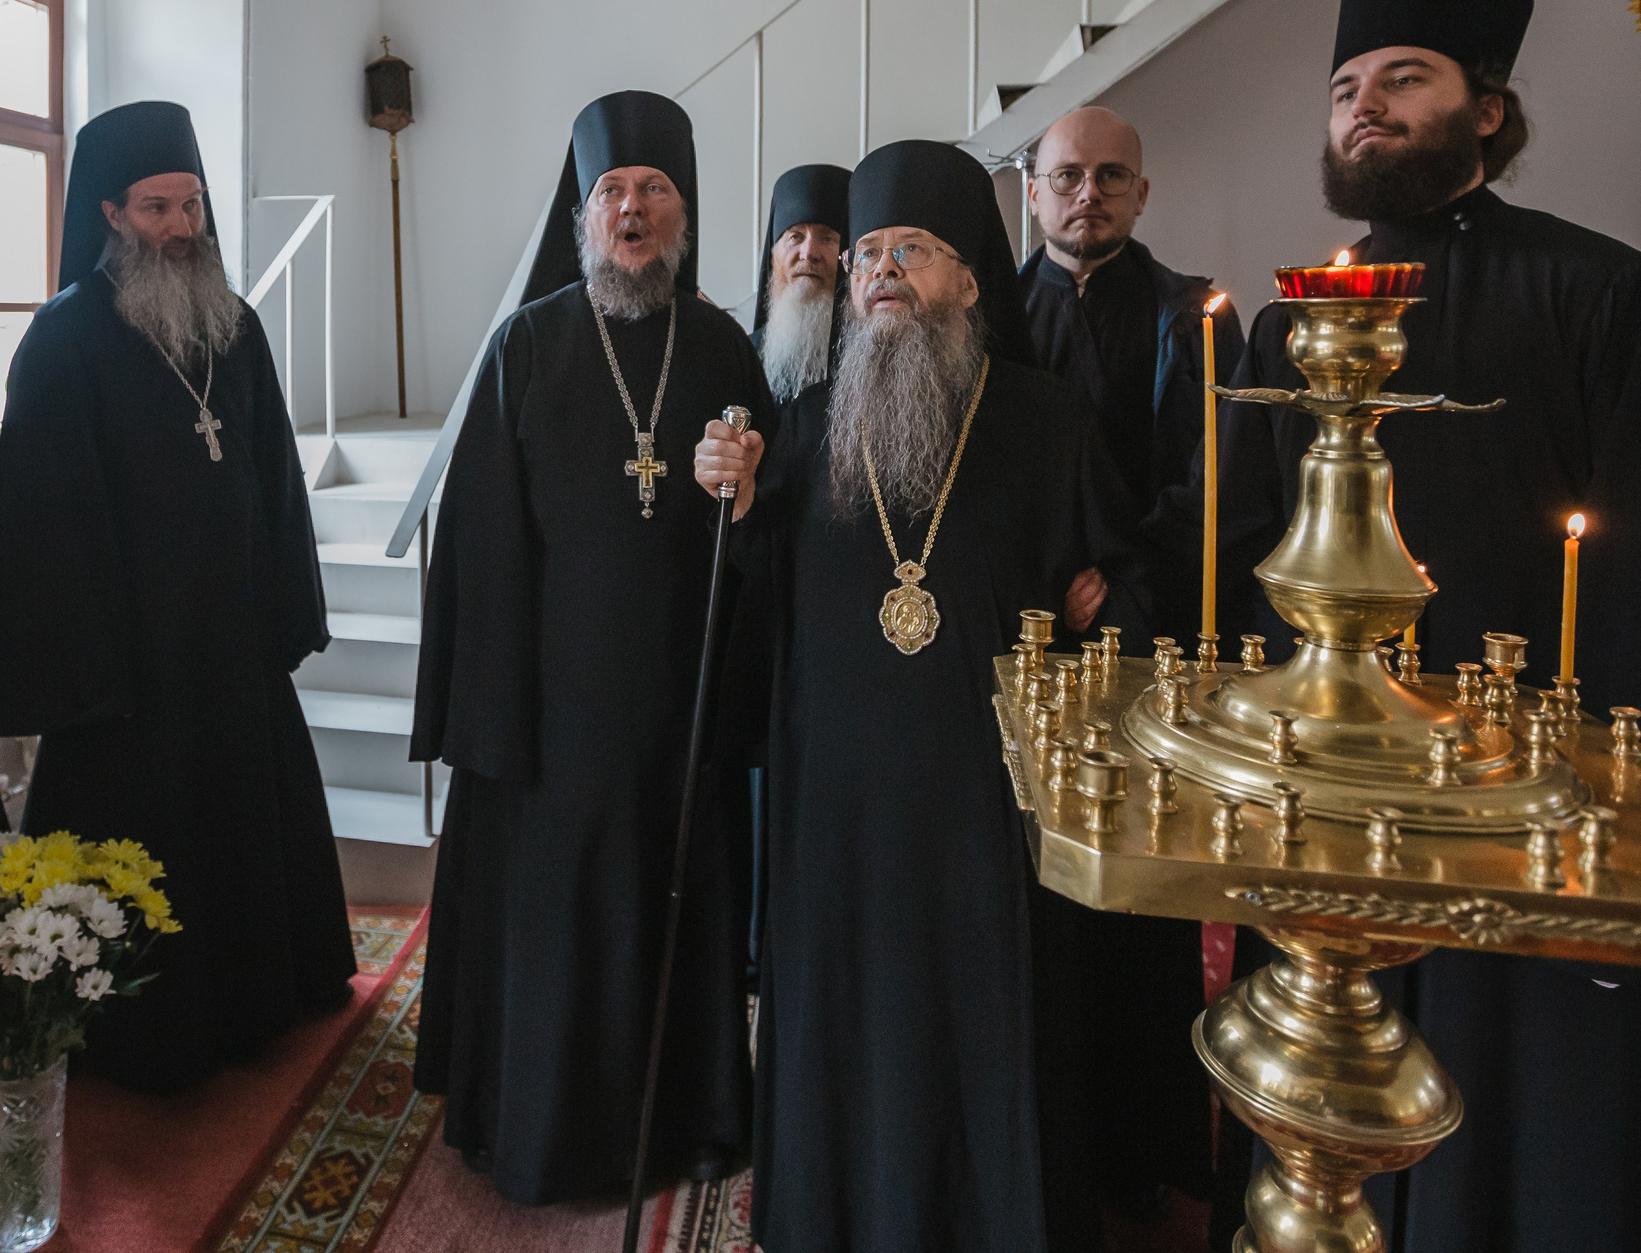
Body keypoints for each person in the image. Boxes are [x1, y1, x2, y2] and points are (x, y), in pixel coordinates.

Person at [1215, 0, 1641, 1253]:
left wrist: (1639, 865)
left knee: (1534, 1131)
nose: (1362, 107)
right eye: (1345, 87)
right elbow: (1251, 564)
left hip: (1534, 814)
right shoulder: (1288, 327)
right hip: (1337, 808)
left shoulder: (1608, 299)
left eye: (1403, 79)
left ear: (1486, 108)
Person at [698, 139, 1206, 1253]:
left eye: (909, 251)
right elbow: (754, 613)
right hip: (836, 815)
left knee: (990, 1020)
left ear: (970, 277)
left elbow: (1125, 587)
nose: (877, 270)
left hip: (992, 818)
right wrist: (734, 518)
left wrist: (1100, 602)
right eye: (869, 251)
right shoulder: (808, 423)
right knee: (848, 1022)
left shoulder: (1045, 419)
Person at [411, 91, 773, 1204]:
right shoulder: (528, 345)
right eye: (612, 190)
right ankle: (548, 1130)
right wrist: (492, 719)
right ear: (583, 212)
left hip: (679, 703)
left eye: (653, 190)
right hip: (553, 716)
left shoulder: (720, 345)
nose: (632, 208)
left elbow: (769, 524)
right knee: (559, 929)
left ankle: (687, 1120)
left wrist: (752, 492)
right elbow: (476, 543)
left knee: (679, 905)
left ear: (683, 211)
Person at [0, 100, 354, 1094]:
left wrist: (281, 610)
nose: (182, 227)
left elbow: (272, 479)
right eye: (156, 208)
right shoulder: (62, 345)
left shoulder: (236, 326)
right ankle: (148, 1038)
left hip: (231, 656)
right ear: (108, 213)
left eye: (190, 204)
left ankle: (266, 999)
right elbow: (47, 525)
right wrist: (91, 671)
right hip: (132, 677)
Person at [1017, 105, 1244, 640]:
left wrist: (1127, 575)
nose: (1088, 193)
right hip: (1025, 605)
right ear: (1034, 195)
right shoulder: (989, 321)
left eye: (1111, 176)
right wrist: (1047, 583)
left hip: (1164, 608)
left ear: (1140, 194)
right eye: (1068, 175)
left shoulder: (1197, 318)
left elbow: (1225, 470)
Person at [751, 163, 850, 402]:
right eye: (795, 236)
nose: (808, 253)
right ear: (774, 257)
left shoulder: (871, 358)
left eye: (827, 238)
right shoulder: (744, 354)